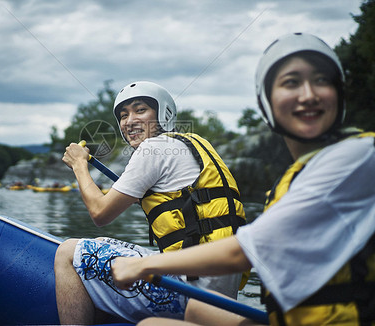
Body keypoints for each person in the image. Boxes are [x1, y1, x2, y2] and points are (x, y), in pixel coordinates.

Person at [111, 33, 375, 325]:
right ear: (267, 103)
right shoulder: (294, 178)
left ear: (339, 93)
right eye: (291, 83)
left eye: (321, 80)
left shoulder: (359, 155)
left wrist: (143, 264)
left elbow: (245, 249)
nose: (308, 95)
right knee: (198, 314)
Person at [56, 81, 247, 324]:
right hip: (218, 294)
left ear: (164, 114)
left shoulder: (152, 149)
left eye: (140, 110)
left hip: (191, 293)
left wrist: (79, 165)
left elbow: (99, 213)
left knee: (67, 251)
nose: (129, 121)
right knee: (100, 243)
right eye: (124, 115)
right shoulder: (192, 143)